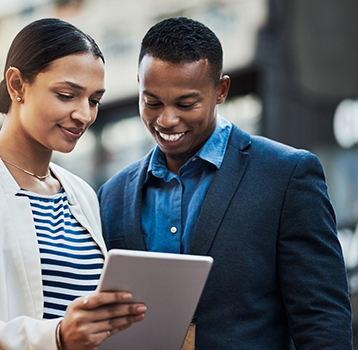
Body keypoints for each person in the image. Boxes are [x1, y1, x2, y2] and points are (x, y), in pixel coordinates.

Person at [97, 16, 353, 349]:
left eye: (186, 104)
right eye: (152, 102)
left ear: (221, 90)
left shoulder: (286, 175)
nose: (167, 119)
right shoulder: (112, 195)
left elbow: (321, 317)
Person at [0, 18, 146, 350]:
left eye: (93, 100)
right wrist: (57, 337)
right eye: (67, 95)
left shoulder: (82, 195)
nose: (84, 115)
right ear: (17, 85)